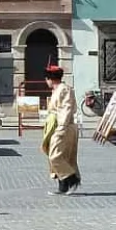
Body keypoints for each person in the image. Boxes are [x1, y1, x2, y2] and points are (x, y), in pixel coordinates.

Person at [41, 64, 80, 194]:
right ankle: (62, 186)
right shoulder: (56, 90)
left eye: (46, 79)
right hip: (56, 125)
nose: (46, 82)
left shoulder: (65, 89)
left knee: (56, 155)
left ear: (50, 78)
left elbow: (66, 108)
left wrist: (62, 126)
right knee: (60, 155)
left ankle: (72, 178)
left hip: (64, 126)